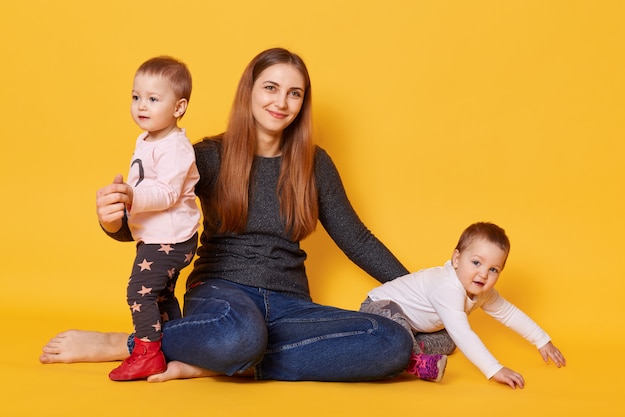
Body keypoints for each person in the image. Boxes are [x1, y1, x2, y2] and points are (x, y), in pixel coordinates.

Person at [40, 48, 453, 382]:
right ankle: (128, 344)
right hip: (223, 296)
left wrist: (426, 294)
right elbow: (156, 210)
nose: (281, 102)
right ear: (249, 92)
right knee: (240, 334)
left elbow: (357, 239)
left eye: (294, 93)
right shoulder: (206, 155)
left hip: (291, 304)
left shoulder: (314, 163)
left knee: (391, 341)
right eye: (271, 87)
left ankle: (221, 361)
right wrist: (113, 222)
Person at [360, 222, 567, 389]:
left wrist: (542, 340)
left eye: (493, 269)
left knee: (449, 341)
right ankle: (414, 361)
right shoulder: (446, 286)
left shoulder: (484, 293)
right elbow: (463, 332)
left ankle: (413, 346)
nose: (484, 274)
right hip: (378, 308)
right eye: (476, 263)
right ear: (457, 259)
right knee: (437, 328)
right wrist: (494, 369)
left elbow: (509, 313)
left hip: (414, 327)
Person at [107, 56, 201, 381]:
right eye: (136, 97)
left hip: (171, 239)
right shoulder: (146, 139)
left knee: (139, 293)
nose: (141, 106)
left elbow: (166, 193)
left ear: (178, 107)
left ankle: (146, 352)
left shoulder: (177, 148)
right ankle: (176, 343)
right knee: (160, 294)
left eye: (152, 99)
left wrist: (132, 197)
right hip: (157, 236)